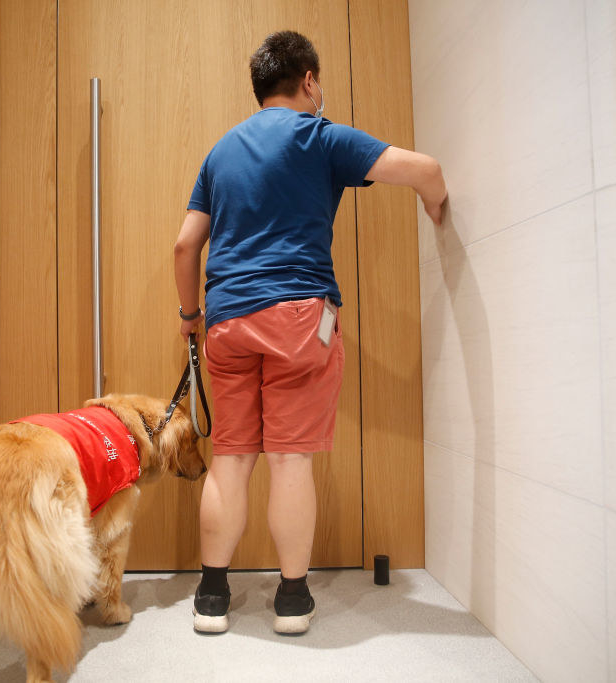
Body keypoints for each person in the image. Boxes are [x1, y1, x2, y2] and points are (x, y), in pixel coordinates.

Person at [173, 30, 447, 635]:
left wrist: (191, 317)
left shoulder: (220, 153)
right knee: (291, 460)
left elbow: (186, 245)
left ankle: (212, 599)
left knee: (234, 459)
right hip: (299, 321)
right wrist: (438, 206)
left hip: (226, 323)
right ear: (310, 81)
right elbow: (425, 170)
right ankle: (292, 601)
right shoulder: (322, 137)